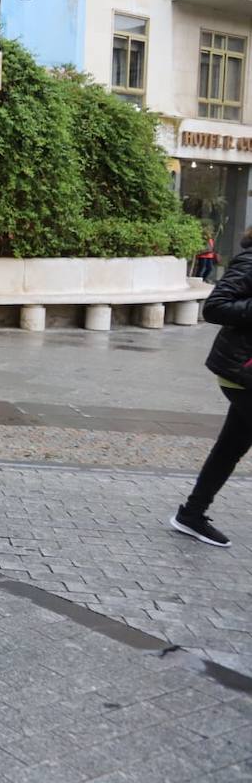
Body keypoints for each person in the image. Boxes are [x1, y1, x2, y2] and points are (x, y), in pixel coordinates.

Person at [170, 228, 252, 548]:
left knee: (230, 447)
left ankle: (191, 515)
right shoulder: (249, 261)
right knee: (230, 447)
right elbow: (215, 306)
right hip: (242, 371)